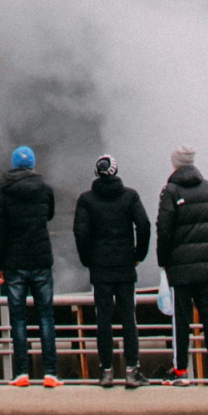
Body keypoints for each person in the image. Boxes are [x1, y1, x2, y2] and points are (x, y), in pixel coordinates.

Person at [155, 146, 208, 386]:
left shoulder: (170, 191)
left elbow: (164, 229)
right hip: (206, 267)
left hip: (179, 268)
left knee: (181, 321)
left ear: (175, 165)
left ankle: (180, 372)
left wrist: (163, 262)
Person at [75, 154, 151, 388]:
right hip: (125, 265)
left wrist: (88, 259)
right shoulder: (130, 196)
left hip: (100, 267)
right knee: (129, 319)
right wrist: (138, 255)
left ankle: (106, 371)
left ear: (97, 173)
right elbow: (144, 225)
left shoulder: (86, 200)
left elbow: (80, 232)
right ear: (116, 172)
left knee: (103, 320)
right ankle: (131, 370)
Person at [0, 145, 60, 388]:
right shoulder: (45, 189)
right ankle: (50, 372)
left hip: (14, 262)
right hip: (40, 260)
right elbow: (49, 215)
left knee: (18, 318)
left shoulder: (3, 192)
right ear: (32, 165)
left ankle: (21, 373)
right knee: (46, 316)